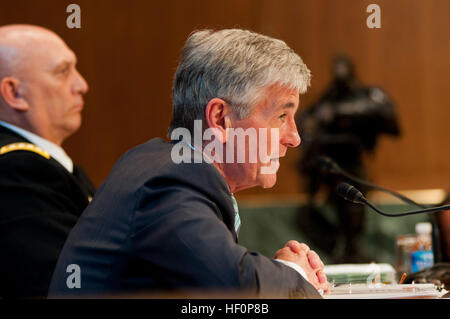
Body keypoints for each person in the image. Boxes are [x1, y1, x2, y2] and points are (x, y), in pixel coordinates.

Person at [49, 29, 329, 298]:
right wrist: (294, 273)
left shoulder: (171, 168)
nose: (294, 138)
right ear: (220, 119)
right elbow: (233, 286)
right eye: (281, 116)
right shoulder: (168, 184)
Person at [0, 24, 95, 298]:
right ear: (14, 93)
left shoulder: (41, 164)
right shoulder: (17, 169)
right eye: (63, 72)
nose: (81, 85)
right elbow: (61, 285)